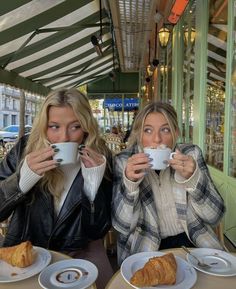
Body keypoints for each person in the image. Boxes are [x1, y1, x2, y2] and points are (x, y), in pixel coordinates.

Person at [0, 88, 113, 289]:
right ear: (43, 127)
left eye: (75, 126)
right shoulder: (24, 149)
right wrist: (22, 180)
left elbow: (97, 231)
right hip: (26, 253)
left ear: (86, 127)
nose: (64, 137)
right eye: (54, 127)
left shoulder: (99, 156)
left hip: (80, 253)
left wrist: (93, 185)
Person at [112, 102, 225, 265]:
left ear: (176, 133)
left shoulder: (190, 154)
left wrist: (193, 179)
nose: (157, 139)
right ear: (138, 134)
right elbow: (122, 227)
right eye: (148, 130)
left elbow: (214, 216)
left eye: (165, 130)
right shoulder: (124, 161)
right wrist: (130, 184)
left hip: (193, 242)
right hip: (145, 247)